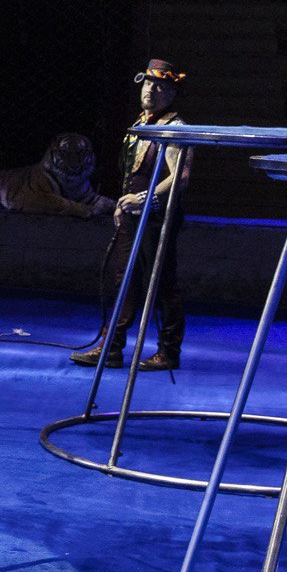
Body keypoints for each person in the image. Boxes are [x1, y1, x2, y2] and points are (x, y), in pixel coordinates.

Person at [71, 59, 189, 373]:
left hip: (157, 217)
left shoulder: (175, 128)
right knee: (124, 278)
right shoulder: (141, 123)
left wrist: (144, 198)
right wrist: (123, 204)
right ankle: (112, 346)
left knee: (160, 282)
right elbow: (131, 173)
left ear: (171, 93)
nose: (151, 90)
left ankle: (168, 351)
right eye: (148, 84)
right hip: (133, 214)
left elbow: (180, 176)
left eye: (160, 86)